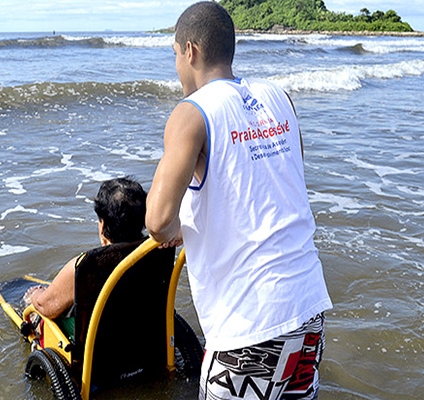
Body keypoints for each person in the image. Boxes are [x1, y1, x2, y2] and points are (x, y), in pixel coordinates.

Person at [145, 2, 333, 399]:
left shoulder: (191, 113)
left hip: (250, 324)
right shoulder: (279, 97)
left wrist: (181, 230)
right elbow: (284, 179)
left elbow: (158, 221)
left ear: (190, 50)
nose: (177, 66)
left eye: (175, 55)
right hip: (308, 305)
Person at [25, 176, 147, 319]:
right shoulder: (157, 252)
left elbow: (45, 307)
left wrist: (35, 295)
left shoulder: (86, 266)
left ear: (102, 225)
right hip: (143, 326)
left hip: (100, 339)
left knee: (36, 307)